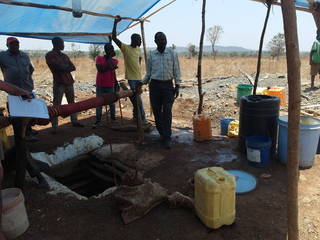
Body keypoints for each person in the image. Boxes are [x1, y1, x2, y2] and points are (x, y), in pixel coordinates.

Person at [0, 37, 48, 189]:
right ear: (7, 45)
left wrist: (27, 84)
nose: (16, 46)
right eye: (13, 44)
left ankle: (26, 137)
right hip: (14, 97)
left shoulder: (25, 56)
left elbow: (31, 69)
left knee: (27, 122)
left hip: (26, 92)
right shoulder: (2, 56)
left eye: (17, 44)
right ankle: (24, 151)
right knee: (19, 131)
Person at [139, 32, 181, 149]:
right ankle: (162, 133)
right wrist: (142, 83)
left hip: (168, 86)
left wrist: (177, 85)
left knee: (167, 111)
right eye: (160, 40)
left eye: (164, 39)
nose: (163, 41)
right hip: (155, 86)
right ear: (156, 41)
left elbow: (176, 70)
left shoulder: (172, 53)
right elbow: (148, 73)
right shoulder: (152, 55)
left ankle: (167, 138)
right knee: (157, 112)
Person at [112, 16, 147, 123]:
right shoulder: (125, 48)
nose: (140, 41)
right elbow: (114, 38)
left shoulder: (138, 50)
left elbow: (139, 61)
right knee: (137, 99)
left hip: (138, 78)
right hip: (132, 79)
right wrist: (115, 23)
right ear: (134, 40)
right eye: (139, 39)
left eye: (141, 40)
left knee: (135, 99)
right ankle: (142, 118)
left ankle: (136, 116)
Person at [45, 37, 83, 133]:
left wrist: (63, 67)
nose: (63, 45)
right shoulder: (50, 55)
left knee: (72, 102)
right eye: (62, 43)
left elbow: (72, 67)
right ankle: (54, 127)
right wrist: (65, 67)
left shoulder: (64, 56)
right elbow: (56, 67)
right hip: (59, 83)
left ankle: (74, 121)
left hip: (69, 82)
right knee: (56, 105)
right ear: (56, 44)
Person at [93, 43, 119, 127]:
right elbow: (100, 70)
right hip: (100, 84)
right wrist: (109, 63)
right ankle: (98, 120)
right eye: (108, 49)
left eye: (111, 49)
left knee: (111, 103)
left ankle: (113, 118)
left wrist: (116, 83)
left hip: (110, 84)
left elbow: (111, 68)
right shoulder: (99, 58)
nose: (109, 51)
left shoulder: (115, 60)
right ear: (105, 50)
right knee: (98, 103)